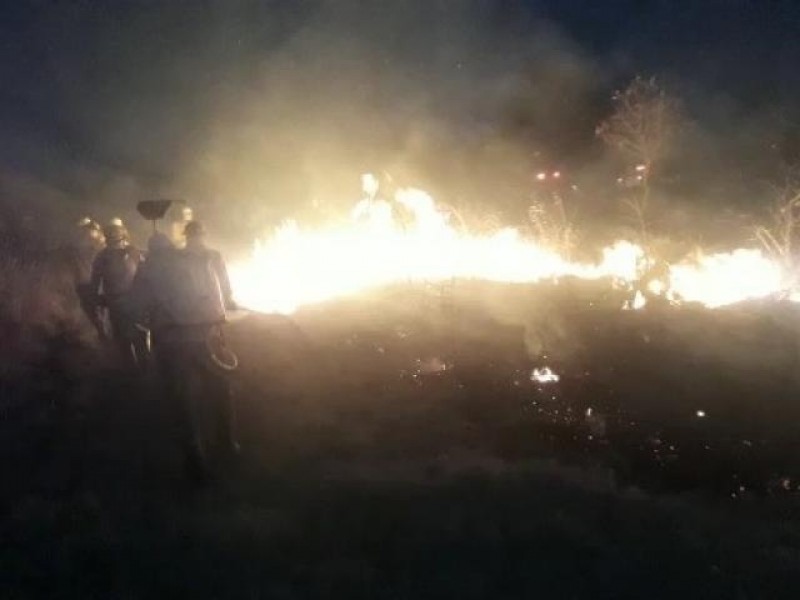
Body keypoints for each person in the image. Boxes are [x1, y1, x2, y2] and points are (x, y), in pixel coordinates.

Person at [128, 224, 239, 482]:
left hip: (171, 343)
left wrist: (145, 320)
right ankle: (228, 444)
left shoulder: (147, 268)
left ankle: (196, 463)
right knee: (221, 388)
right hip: (206, 335)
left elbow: (134, 308)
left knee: (182, 403)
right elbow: (218, 294)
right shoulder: (193, 261)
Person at [89, 220, 148, 367]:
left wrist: (97, 302)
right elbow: (146, 276)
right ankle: (141, 371)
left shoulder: (104, 256)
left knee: (128, 341)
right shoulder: (131, 253)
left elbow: (94, 284)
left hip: (123, 304)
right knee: (134, 341)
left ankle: (135, 371)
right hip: (128, 304)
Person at [71, 217, 106, 337]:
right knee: (91, 309)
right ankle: (101, 332)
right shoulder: (80, 247)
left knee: (98, 310)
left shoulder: (99, 244)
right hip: (87, 282)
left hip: (96, 283)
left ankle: (103, 333)